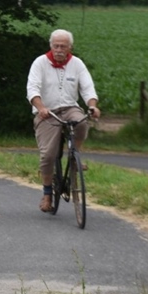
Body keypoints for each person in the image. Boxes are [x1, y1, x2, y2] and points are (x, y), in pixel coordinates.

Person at [26, 29, 101, 213]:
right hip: (48, 112)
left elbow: (88, 88)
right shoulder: (40, 63)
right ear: (51, 46)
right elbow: (32, 88)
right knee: (48, 156)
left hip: (69, 108)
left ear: (70, 48)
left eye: (63, 46)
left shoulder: (77, 64)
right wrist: (41, 107)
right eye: (56, 46)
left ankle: (75, 156)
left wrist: (92, 106)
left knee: (81, 121)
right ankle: (47, 194)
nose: (59, 50)